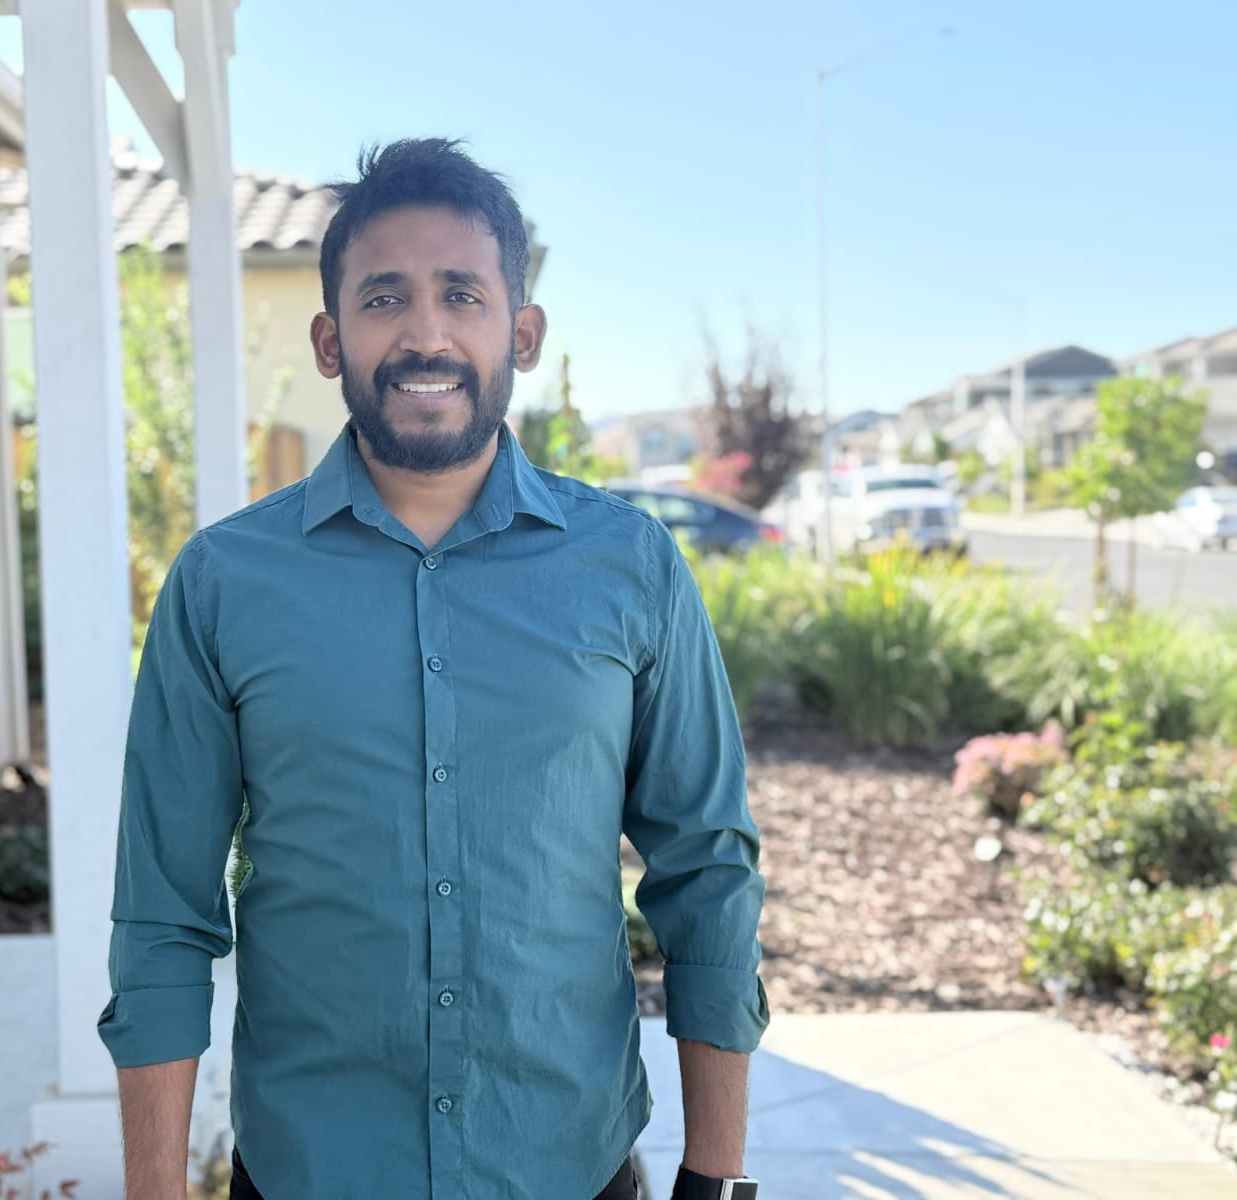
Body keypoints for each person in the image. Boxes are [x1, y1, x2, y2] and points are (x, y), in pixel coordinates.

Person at [97, 138, 770, 1200]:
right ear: (330, 340)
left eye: (462, 294)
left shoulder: (632, 566)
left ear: (522, 333)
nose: (425, 333)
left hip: (569, 1165)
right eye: (384, 299)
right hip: (312, 1171)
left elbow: (707, 871)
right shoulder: (223, 583)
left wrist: (717, 1177)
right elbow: (162, 918)